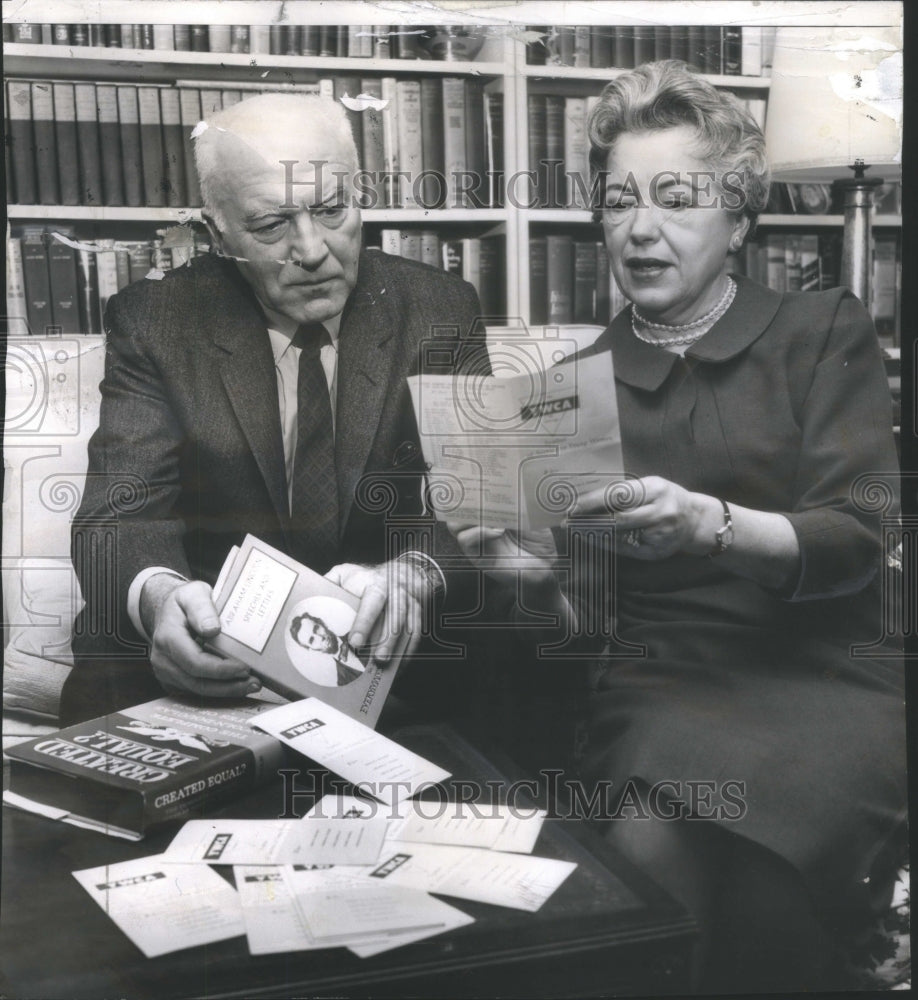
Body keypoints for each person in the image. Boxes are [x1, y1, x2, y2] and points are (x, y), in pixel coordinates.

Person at [451, 61, 906, 992]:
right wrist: (526, 580)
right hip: (662, 685)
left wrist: (710, 524)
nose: (640, 227)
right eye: (619, 201)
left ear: (738, 220)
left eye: (675, 198)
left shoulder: (823, 330)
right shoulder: (570, 387)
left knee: (768, 886)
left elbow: (857, 539)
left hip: (824, 673)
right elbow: (582, 625)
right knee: (650, 857)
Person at [62, 94, 487, 725]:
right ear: (219, 236)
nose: (312, 250)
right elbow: (117, 514)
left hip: (376, 662)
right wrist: (161, 600)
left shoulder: (440, 309)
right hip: (210, 659)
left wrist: (411, 575)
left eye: (332, 209)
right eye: (270, 226)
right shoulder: (156, 320)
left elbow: (483, 510)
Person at [288, 610, 364, 686]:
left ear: (322, 623)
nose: (320, 638)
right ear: (311, 649)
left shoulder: (361, 633)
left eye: (316, 628)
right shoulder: (343, 683)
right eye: (312, 640)